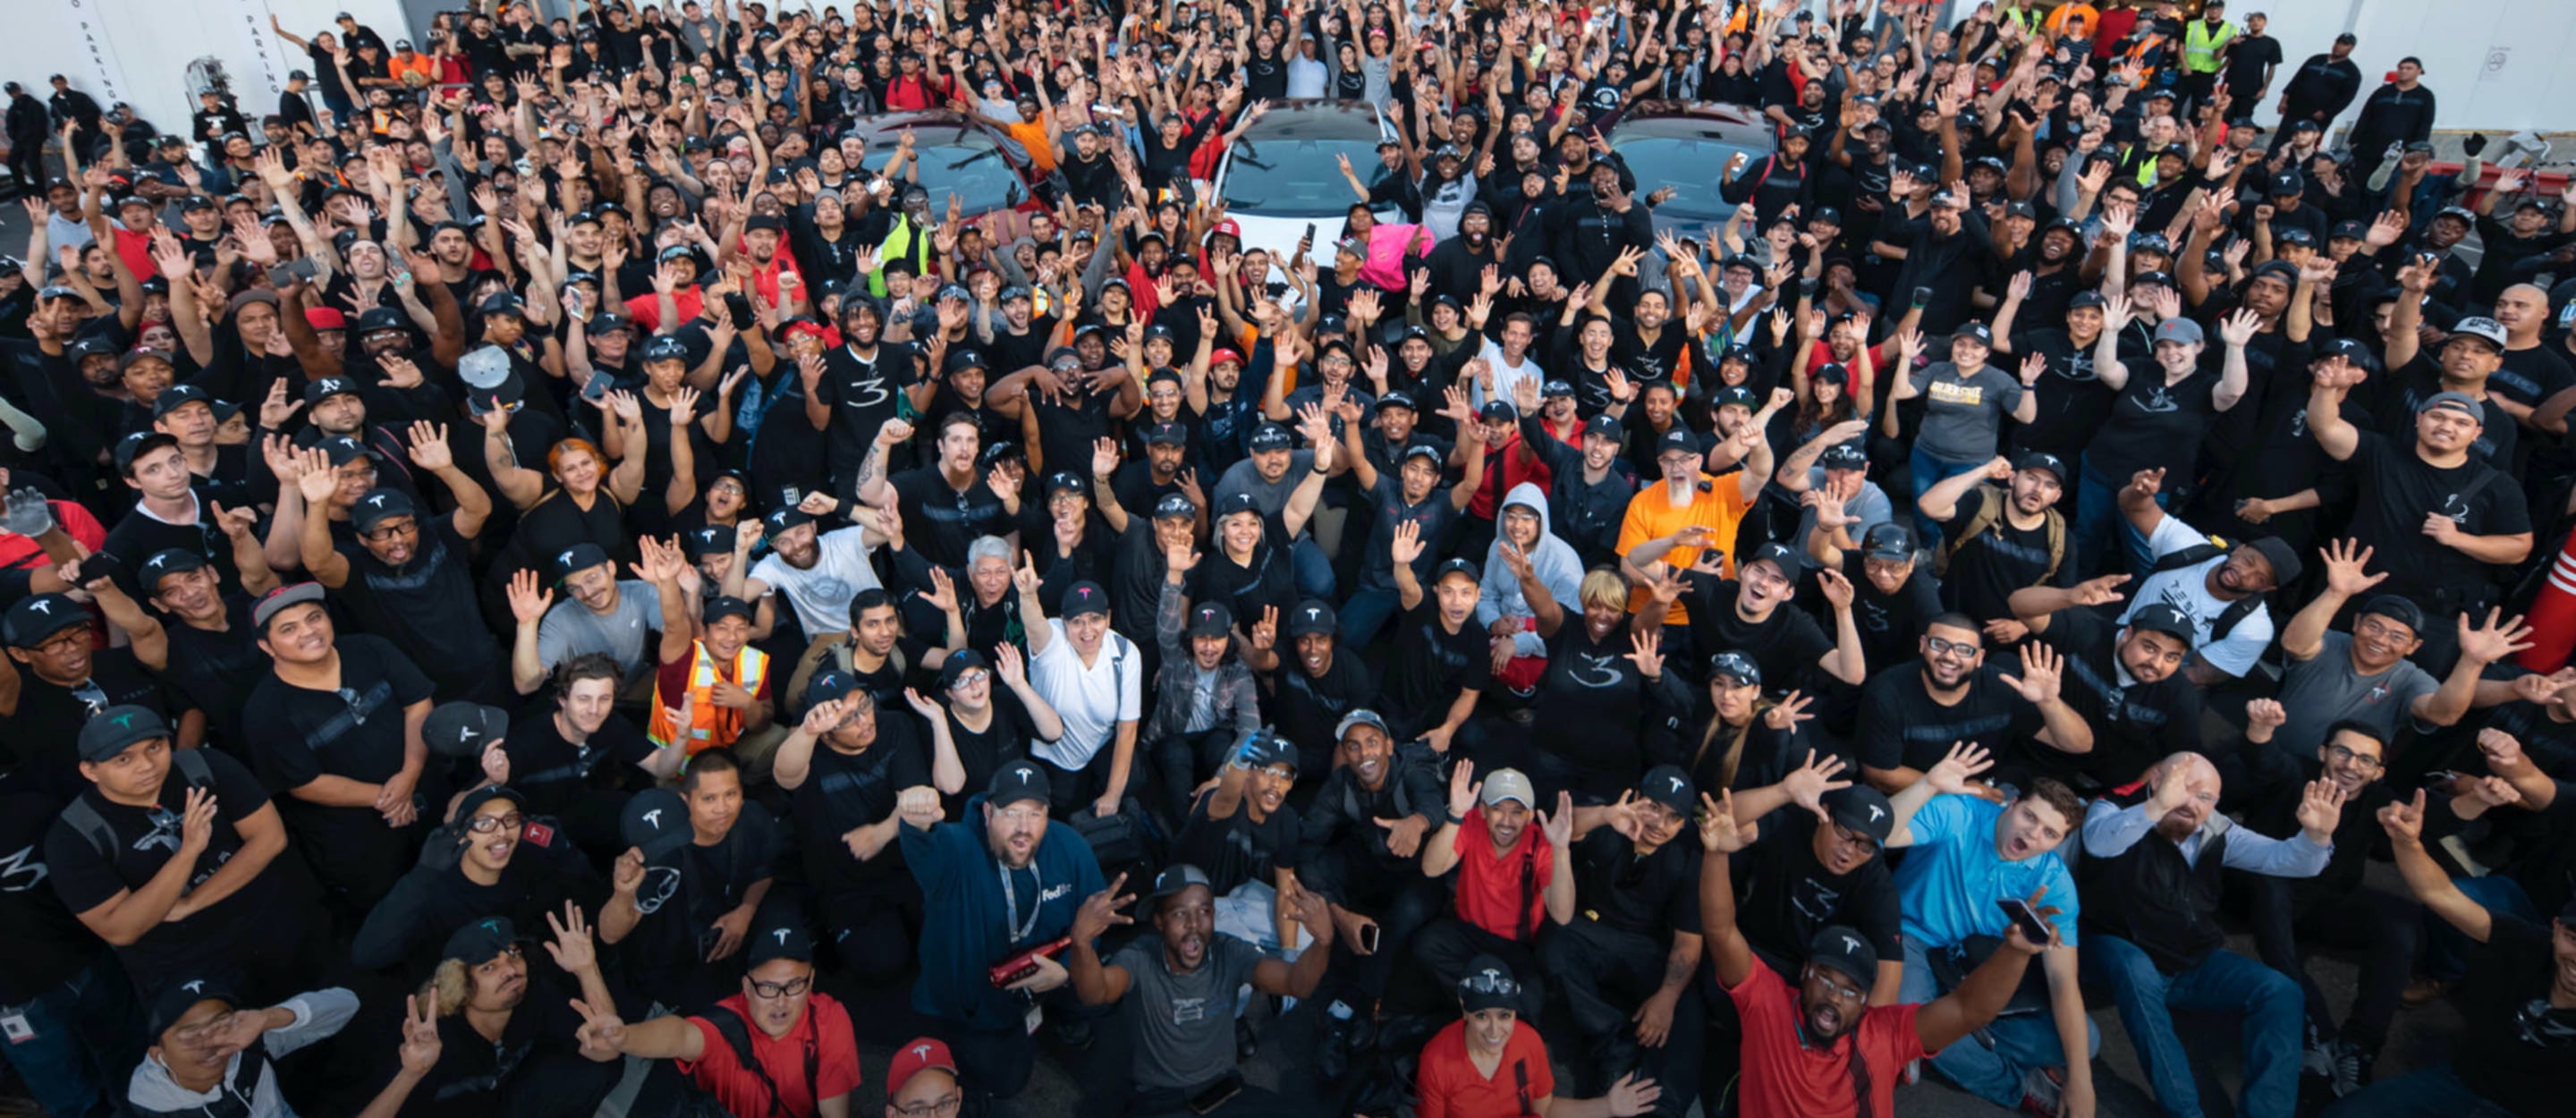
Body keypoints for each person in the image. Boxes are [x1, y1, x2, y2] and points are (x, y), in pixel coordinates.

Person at [1699, 778, 2059, 1118]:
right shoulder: (1769, 1007)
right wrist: (1715, 855)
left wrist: (2018, 952)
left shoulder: (1881, 1036)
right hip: (1766, 952)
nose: (1835, 997)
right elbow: (1720, 930)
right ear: (1805, 976)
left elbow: (1969, 1010)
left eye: (1850, 990)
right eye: (1826, 979)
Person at [2076, 751, 2346, 1118]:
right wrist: (2156, 807)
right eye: (2183, 789)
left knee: (2280, 991)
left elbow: (2286, 860)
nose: (2191, 804)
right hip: (2116, 948)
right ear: (2156, 780)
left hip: (2188, 958)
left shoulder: (2216, 829)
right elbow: (2099, 842)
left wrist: (2316, 836)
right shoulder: (2114, 807)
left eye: (2205, 798)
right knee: (2134, 967)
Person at [1881, 750, 2100, 1117]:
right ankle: (2012, 1082)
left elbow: (2063, 982)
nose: (2032, 835)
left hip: (1977, 965)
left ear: (2060, 842)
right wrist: (1927, 785)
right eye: (2029, 816)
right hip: (1914, 937)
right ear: (2010, 805)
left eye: (2050, 834)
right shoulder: (1960, 813)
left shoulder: (2054, 882)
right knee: (1918, 1027)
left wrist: (2082, 1082)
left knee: (2086, 1043)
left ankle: (1927, 1040)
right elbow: (1883, 834)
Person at [2333, 789, 2572, 1117]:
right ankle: (2441, 978)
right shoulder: (2529, 944)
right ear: (2557, 929)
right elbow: (2440, 894)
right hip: (2463, 1082)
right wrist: (2407, 843)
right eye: (2574, 938)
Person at [896, 760, 1104, 1099]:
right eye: (1011, 813)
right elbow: (926, 845)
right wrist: (915, 819)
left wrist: (1067, 971)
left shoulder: (1071, 847)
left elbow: (1096, 920)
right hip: (970, 1002)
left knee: (1096, 989)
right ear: (988, 812)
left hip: (1040, 982)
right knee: (998, 1083)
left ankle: (1058, 1012)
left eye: (1035, 814)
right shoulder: (957, 847)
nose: (1024, 828)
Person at [1064, 862, 1336, 1116]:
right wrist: (1081, 943)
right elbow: (1095, 993)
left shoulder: (1228, 951)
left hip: (1224, 1091)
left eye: (1204, 911)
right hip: (1160, 1100)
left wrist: (1322, 942)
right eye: (1180, 913)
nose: (1194, 924)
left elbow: (1296, 985)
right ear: (1159, 922)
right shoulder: (1139, 957)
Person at [572, 919, 862, 1117]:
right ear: (747, 987)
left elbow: (834, 1112)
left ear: (810, 983)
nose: (781, 1001)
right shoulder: (726, 1024)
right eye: (768, 987)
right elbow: (680, 1036)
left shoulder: (828, 1016)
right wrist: (625, 1037)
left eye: (794, 985)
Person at [599, 752, 781, 1011]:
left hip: (733, 943)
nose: (723, 808)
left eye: (731, 794)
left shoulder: (751, 818)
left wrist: (746, 911)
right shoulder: (662, 850)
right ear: (685, 801)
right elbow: (610, 932)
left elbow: (765, 868)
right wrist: (622, 893)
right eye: (709, 799)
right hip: (674, 966)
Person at [1411, 953, 1664, 1118]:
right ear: (1464, 1009)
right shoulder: (1437, 1061)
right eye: (1481, 1016)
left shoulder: (1527, 1041)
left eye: (1504, 1016)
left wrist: (1606, 1106)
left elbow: (1544, 1108)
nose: (1494, 1030)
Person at [1413, 764, 1573, 1021]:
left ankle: (1474, 1009)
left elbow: (1563, 915)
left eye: (1517, 812)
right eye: (1497, 810)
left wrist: (1562, 849)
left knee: (1532, 1003)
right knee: (1427, 945)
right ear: (1483, 810)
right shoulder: (1471, 822)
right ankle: (1477, 1007)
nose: (1506, 821)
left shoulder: (1540, 841)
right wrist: (1455, 815)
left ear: (1530, 816)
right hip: (1469, 934)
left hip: (1515, 947)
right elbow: (1431, 868)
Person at [124, 978, 359, 1118]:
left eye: (220, 1025)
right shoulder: (152, 1111)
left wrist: (269, 1018)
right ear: (157, 1055)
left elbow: (347, 1005)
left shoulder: (245, 1047)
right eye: (190, 1036)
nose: (210, 1043)